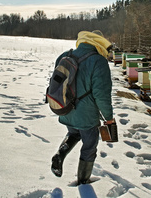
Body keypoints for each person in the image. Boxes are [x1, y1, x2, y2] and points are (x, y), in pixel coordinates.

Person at [50, 30, 115, 185]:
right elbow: (102, 96)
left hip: (65, 109)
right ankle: (83, 181)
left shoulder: (65, 55)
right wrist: (109, 118)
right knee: (89, 145)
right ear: (99, 44)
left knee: (73, 132)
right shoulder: (99, 62)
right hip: (87, 116)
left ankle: (59, 154)